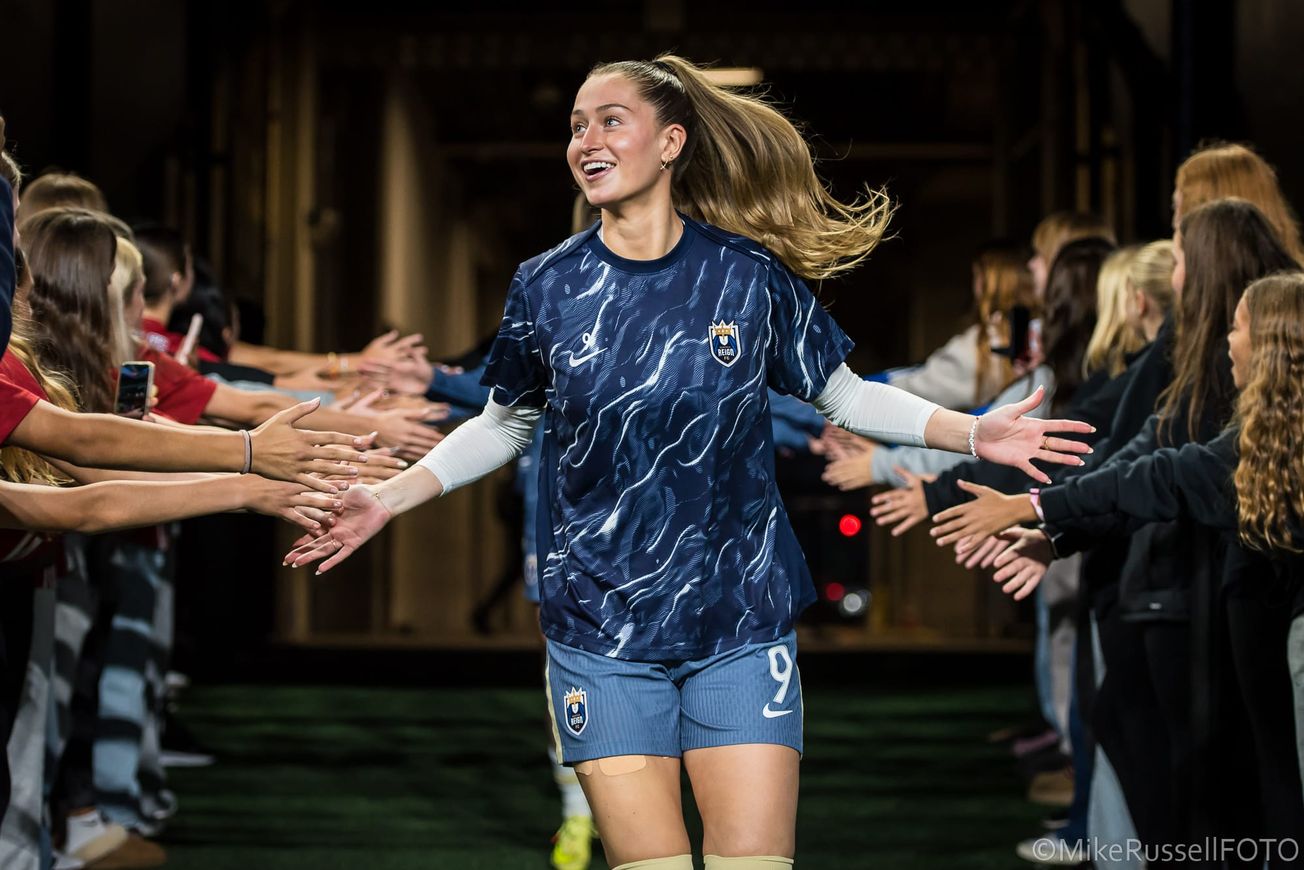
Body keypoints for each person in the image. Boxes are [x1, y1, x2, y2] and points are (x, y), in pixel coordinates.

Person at [283, 56, 1092, 870]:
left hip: (739, 625)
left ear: (671, 143)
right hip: (601, 633)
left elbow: (844, 397)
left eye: (609, 121)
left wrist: (973, 432)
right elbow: (504, 426)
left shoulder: (747, 277)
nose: (585, 140)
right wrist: (386, 498)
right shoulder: (545, 287)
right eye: (575, 125)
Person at [929, 273, 1304, 857]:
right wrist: (1050, 531)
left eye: (1238, 327)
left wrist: (1031, 506)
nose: (1226, 340)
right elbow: (1150, 476)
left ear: (1274, 348)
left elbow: (1147, 474)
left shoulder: (1252, 449)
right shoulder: (1255, 445)